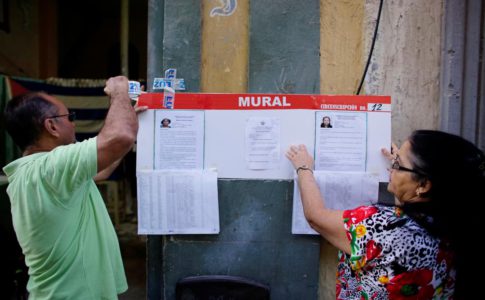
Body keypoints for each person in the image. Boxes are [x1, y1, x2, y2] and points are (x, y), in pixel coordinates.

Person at [286, 130, 483, 299]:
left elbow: (316, 217)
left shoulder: (382, 225)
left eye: (397, 163)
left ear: (423, 185)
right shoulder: (457, 223)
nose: (391, 167)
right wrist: (406, 173)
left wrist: (304, 169)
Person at [2, 76, 145, 299]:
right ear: (51, 126)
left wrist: (128, 118)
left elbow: (101, 169)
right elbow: (119, 137)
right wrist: (119, 93)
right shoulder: (49, 167)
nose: (73, 123)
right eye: (70, 117)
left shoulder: (44, 170)